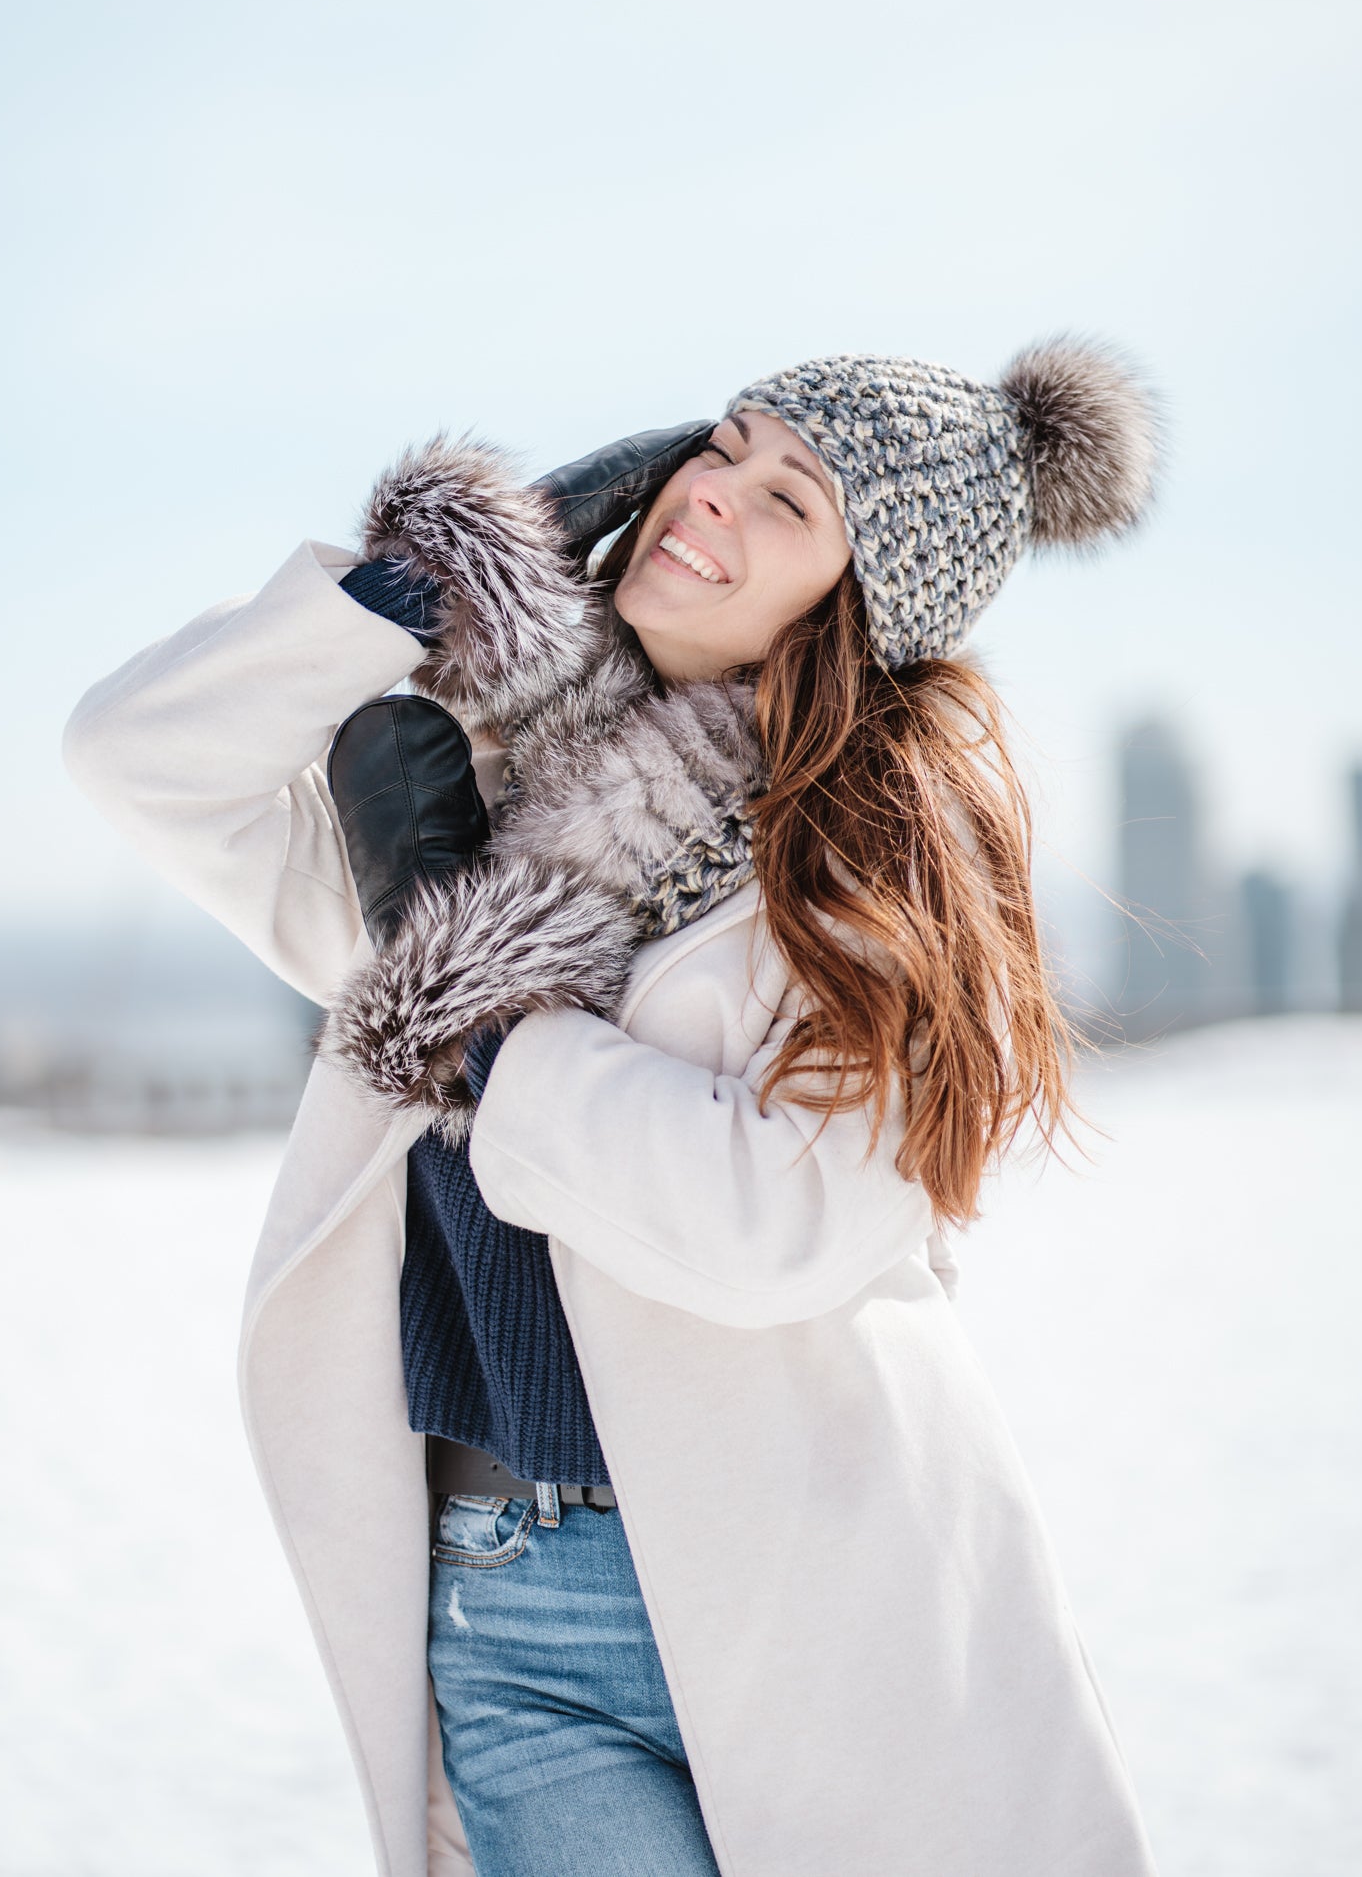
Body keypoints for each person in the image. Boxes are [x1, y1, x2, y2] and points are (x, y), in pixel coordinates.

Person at [62, 334, 1164, 1877]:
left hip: (809, 1586)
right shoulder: (485, 802)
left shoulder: (871, 864)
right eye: (722, 444)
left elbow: (776, 1221)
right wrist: (415, 592)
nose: (711, 497)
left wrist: (487, 1017)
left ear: (857, 609)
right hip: (502, 1591)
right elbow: (138, 757)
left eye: (790, 501)